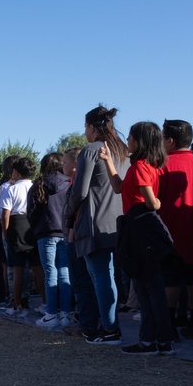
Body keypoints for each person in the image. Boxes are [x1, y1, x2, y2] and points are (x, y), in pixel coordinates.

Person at [98, 121, 175, 356]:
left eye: (130, 137)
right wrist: (108, 161)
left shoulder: (141, 166)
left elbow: (151, 202)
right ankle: (155, 340)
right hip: (139, 227)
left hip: (140, 226)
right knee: (147, 285)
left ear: (139, 142)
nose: (127, 141)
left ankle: (155, 340)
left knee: (148, 287)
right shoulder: (146, 166)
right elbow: (119, 188)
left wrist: (157, 204)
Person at [66, 105, 128, 345]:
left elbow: (79, 190)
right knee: (110, 275)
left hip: (94, 221)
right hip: (119, 220)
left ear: (92, 127)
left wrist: (69, 212)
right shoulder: (122, 150)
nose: (84, 131)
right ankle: (109, 325)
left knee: (100, 275)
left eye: (85, 127)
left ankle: (110, 328)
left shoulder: (91, 150)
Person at [157, 119, 193, 340]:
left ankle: (169, 325)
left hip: (171, 228)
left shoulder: (163, 164)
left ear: (169, 140)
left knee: (171, 279)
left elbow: (154, 199)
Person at [27, 153, 71, 327]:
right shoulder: (68, 183)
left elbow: (31, 212)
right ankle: (66, 314)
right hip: (65, 232)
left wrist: (37, 227)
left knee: (50, 274)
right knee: (65, 274)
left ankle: (51, 313)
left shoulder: (38, 184)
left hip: (45, 233)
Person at [1, 157, 41, 316]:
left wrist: (6, 233)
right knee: (37, 267)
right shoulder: (35, 186)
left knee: (17, 268)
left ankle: (16, 303)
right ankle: (45, 302)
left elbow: (5, 214)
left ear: (16, 171)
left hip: (16, 225)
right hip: (33, 225)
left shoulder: (11, 189)